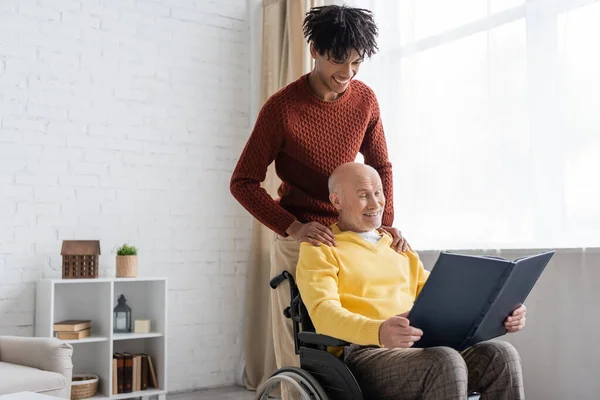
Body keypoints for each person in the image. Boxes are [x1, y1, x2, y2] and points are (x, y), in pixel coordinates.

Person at [230, 4, 408, 380]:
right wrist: (293, 227)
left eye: (357, 62)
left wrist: (384, 223)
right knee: (303, 351)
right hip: (303, 238)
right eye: (338, 61)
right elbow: (243, 181)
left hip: (351, 236)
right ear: (314, 50)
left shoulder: (365, 100)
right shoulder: (281, 109)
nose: (347, 73)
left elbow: (382, 166)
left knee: (359, 336)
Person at [296, 162, 527, 400]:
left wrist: (501, 311)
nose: (375, 204)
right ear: (337, 201)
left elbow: (441, 298)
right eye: (364, 195)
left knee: (501, 355)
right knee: (444, 360)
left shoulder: (398, 247)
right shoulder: (320, 249)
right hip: (363, 355)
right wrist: (379, 331)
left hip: (418, 347)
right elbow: (324, 313)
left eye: (378, 193)